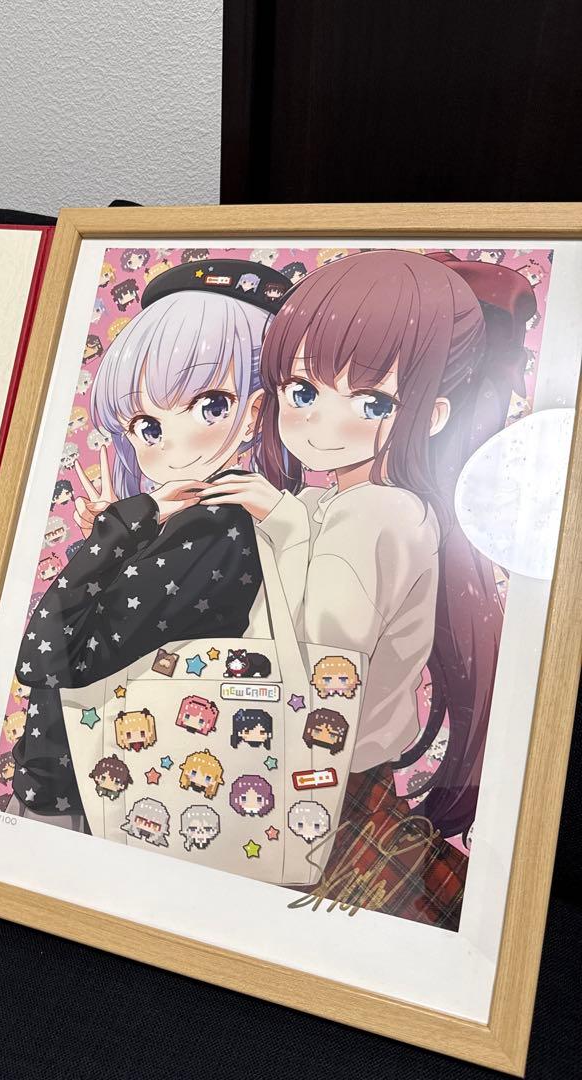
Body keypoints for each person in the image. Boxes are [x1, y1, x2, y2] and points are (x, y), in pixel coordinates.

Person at [203, 249, 535, 925]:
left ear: (432, 415)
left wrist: (281, 523)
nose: (324, 425)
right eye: (303, 392)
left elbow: (321, 653)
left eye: (371, 401)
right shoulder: (340, 503)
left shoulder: (378, 513)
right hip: (305, 768)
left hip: (324, 783)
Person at [6, 260, 290, 826]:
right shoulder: (191, 522)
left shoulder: (215, 532)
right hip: (100, 784)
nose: (170, 444)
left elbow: (45, 655)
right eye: (147, 427)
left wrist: (117, 532)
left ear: (255, 413)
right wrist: (128, 530)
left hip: (92, 795)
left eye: (211, 406)